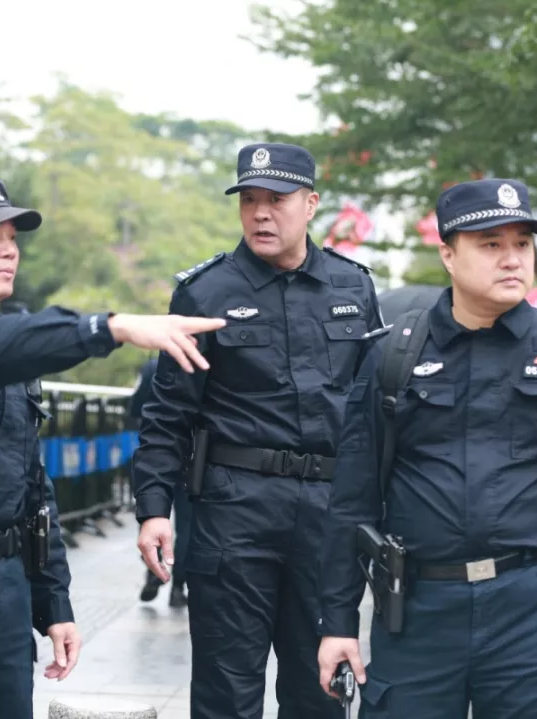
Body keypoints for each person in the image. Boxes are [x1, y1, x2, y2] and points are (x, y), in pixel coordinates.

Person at [0, 176, 225, 719]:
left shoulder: (11, 357)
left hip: (5, 597)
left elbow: (32, 489)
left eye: (12, 237)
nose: (9, 249)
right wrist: (110, 327)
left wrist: (53, 602)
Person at [316, 178, 537, 718]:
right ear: (448, 254)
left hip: (529, 614)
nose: (512, 259)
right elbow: (353, 497)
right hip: (416, 612)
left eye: (522, 244)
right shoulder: (395, 355)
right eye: (490, 244)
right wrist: (338, 622)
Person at [131, 143, 384, 719]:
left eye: (277, 200)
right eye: (249, 200)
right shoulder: (205, 292)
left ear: (311, 204)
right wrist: (153, 509)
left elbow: (375, 413)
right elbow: (169, 413)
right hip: (234, 512)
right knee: (226, 692)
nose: (261, 213)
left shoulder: (352, 288)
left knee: (320, 691)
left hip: (327, 514)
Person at [132, 357, 191, 608]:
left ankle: (153, 571)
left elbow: (135, 407)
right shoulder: (202, 359)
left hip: (158, 452)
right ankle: (178, 587)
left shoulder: (151, 366)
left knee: (153, 513)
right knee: (187, 527)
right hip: (194, 455)